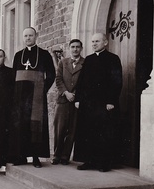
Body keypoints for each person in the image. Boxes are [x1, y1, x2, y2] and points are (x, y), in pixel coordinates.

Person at [74, 32, 122, 172]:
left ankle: (104, 163)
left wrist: (111, 101)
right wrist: (78, 99)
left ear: (105, 42)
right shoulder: (88, 60)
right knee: (88, 132)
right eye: (93, 42)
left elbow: (117, 81)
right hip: (88, 104)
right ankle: (89, 161)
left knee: (104, 133)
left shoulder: (113, 59)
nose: (94, 44)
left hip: (104, 104)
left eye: (97, 41)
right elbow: (81, 81)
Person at [8, 27, 55, 168]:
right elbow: (13, 76)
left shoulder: (44, 54)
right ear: (23, 38)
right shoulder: (18, 55)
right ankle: (20, 156)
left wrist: (43, 89)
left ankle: (35, 157)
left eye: (30, 35)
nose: (28, 38)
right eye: (26, 36)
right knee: (20, 125)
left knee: (36, 126)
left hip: (36, 96)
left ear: (36, 36)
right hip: (20, 97)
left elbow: (51, 74)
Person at [52, 39, 84, 165]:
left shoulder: (85, 63)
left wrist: (76, 95)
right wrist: (66, 93)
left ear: (81, 48)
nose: (75, 49)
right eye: (72, 47)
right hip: (63, 100)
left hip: (76, 101)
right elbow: (58, 79)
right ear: (69, 48)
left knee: (72, 129)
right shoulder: (63, 62)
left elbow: (84, 82)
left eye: (77, 47)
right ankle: (56, 155)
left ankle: (65, 156)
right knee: (59, 128)